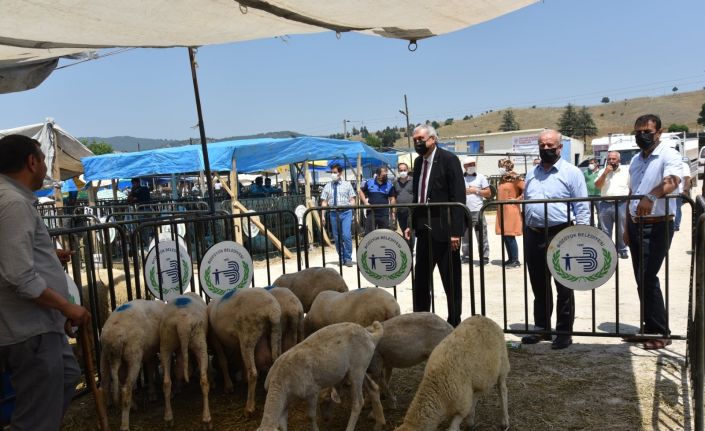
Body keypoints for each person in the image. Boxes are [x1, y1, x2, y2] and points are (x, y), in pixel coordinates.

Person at [0, 134, 91, 430]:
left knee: (66, 376)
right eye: (42, 160)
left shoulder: (12, 199)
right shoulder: (13, 204)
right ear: (31, 162)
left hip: (40, 322)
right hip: (29, 326)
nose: (45, 168)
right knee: (35, 414)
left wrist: (47, 256)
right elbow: (18, 275)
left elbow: (10, 253)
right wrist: (66, 307)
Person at [521, 129, 590, 350]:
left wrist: (581, 236)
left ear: (559, 147)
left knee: (564, 284)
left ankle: (563, 332)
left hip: (561, 233)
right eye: (542, 145)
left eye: (550, 145)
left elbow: (582, 206)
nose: (546, 149)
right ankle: (542, 327)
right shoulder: (532, 173)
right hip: (533, 233)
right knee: (538, 284)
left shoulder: (572, 173)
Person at [622, 114, 682, 350]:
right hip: (635, 224)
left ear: (659, 132)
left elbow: (673, 180)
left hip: (657, 225)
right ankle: (649, 327)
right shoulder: (636, 160)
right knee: (641, 278)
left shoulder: (669, 154)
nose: (642, 136)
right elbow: (631, 193)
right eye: (638, 132)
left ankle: (661, 331)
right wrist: (626, 226)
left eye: (647, 131)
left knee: (648, 277)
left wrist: (652, 196)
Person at [404, 125, 465, 326]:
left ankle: (453, 322)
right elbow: (418, 196)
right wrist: (411, 223)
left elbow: (458, 196)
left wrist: (456, 231)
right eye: (415, 140)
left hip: (445, 231)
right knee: (421, 280)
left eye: (420, 139)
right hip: (423, 229)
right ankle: (422, 322)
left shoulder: (449, 160)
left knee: (451, 281)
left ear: (432, 139)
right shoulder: (418, 162)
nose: (417, 143)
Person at [594, 151, 630, 259]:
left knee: (621, 229)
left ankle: (622, 250)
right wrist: (605, 173)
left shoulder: (626, 172)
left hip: (621, 204)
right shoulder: (602, 171)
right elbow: (597, 186)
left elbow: (631, 187)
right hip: (605, 204)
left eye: (614, 159)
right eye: (609, 159)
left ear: (619, 160)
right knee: (605, 230)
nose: (611, 161)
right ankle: (608, 251)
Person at [320, 164, 357, 267]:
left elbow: (352, 199)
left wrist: (353, 211)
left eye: (335, 172)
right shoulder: (328, 186)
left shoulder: (347, 185)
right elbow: (324, 202)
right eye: (332, 172)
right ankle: (341, 257)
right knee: (337, 237)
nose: (333, 174)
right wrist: (322, 215)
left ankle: (348, 258)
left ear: (340, 173)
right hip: (333, 213)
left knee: (346, 235)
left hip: (346, 212)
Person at [460, 156, 491, 264]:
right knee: (465, 237)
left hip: (478, 211)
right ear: (464, 166)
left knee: (481, 235)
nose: (472, 166)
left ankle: (484, 257)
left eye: (473, 164)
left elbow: (488, 193)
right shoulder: (460, 177)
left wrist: (475, 191)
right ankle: (466, 256)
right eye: (470, 165)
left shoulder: (481, 177)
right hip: (464, 211)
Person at [495, 158, 524, 268]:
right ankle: (510, 258)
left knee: (510, 235)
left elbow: (527, 189)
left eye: (501, 166)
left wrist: (518, 199)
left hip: (511, 210)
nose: (500, 168)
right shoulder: (503, 178)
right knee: (505, 235)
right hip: (502, 210)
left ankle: (515, 260)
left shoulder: (516, 177)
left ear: (507, 166)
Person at [359, 166, 397, 234]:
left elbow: (392, 198)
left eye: (386, 175)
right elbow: (360, 191)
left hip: (384, 214)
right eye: (383, 175)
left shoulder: (389, 184)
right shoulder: (369, 182)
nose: (385, 176)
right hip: (371, 213)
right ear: (377, 174)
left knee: (383, 235)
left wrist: (393, 212)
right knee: (369, 234)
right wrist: (365, 202)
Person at [393, 162, 414, 249]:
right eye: (401, 170)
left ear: (407, 170)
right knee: (403, 230)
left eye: (404, 170)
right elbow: (393, 197)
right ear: (398, 171)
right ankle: (406, 249)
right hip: (400, 211)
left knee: (410, 231)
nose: (403, 172)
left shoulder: (413, 181)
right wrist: (393, 211)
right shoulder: (395, 182)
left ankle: (410, 249)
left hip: (411, 211)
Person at [674, 157, 691, 231]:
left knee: (677, 208)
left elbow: (687, 179)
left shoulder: (683, 165)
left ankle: (676, 226)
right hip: (669, 192)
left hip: (679, 192)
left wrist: (685, 191)